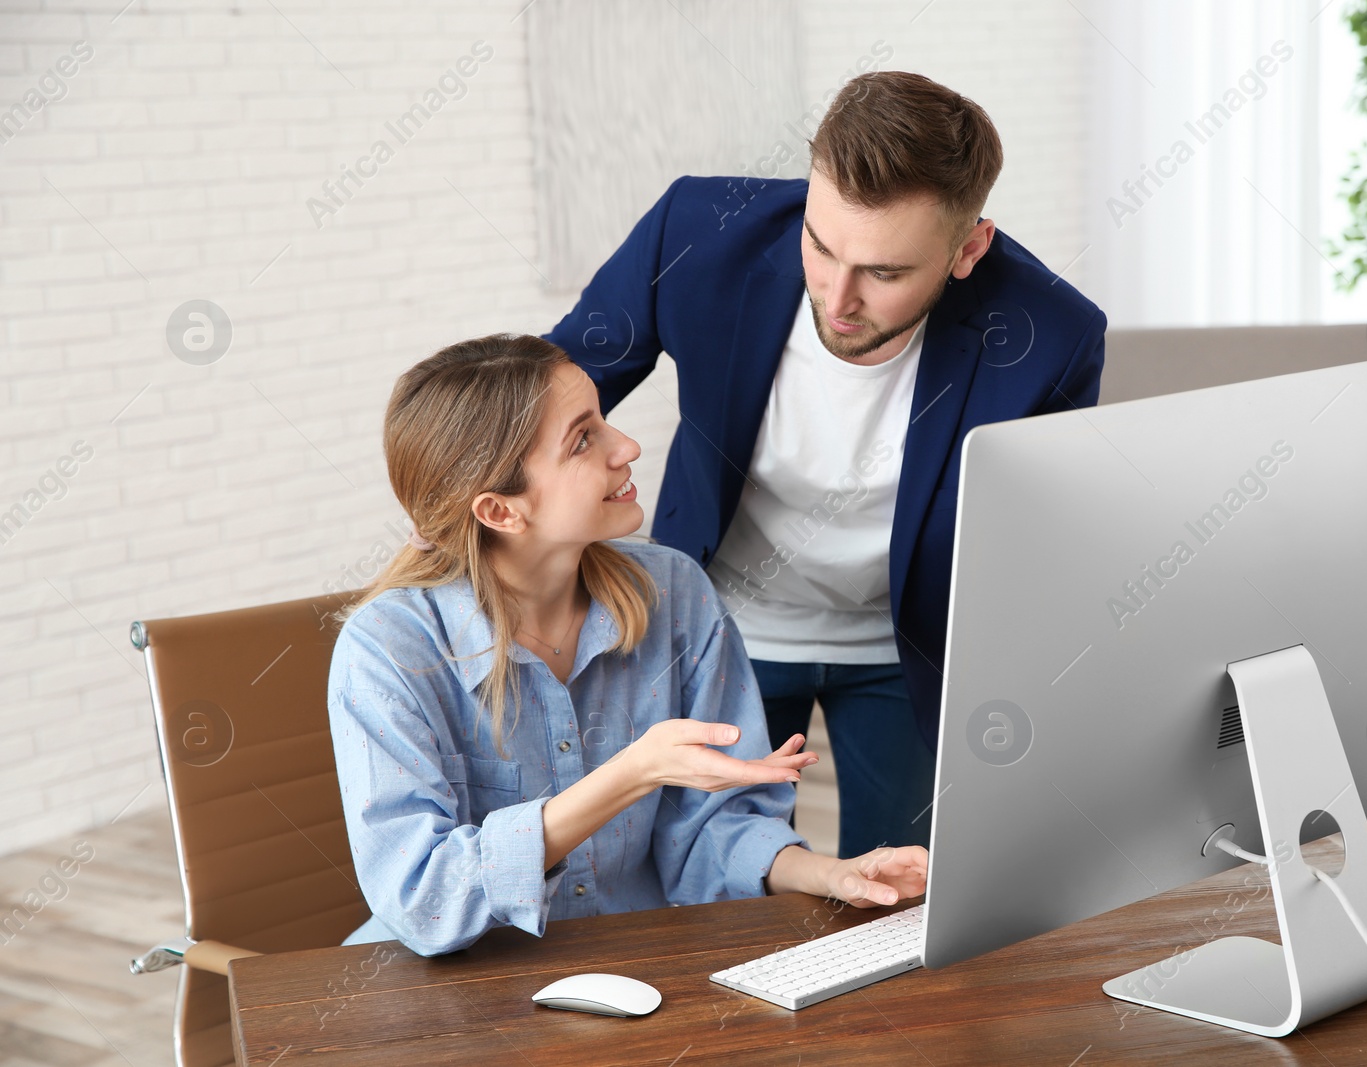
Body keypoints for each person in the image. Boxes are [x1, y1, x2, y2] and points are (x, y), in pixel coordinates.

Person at [544, 70, 1107, 858]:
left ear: (968, 249)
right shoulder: (700, 232)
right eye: (819, 244)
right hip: (723, 623)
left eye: (884, 273)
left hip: (905, 643)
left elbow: (1038, 547)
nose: (837, 297)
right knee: (698, 874)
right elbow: (545, 393)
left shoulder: (1052, 337)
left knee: (899, 894)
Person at [327, 333, 927, 956]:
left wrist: (831, 874)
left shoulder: (675, 593)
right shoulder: (387, 652)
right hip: (453, 998)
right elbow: (422, 897)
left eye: (603, 420)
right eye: (583, 439)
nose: (629, 448)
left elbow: (713, 828)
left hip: (635, 972)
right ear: (501, 512)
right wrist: (632, 773)